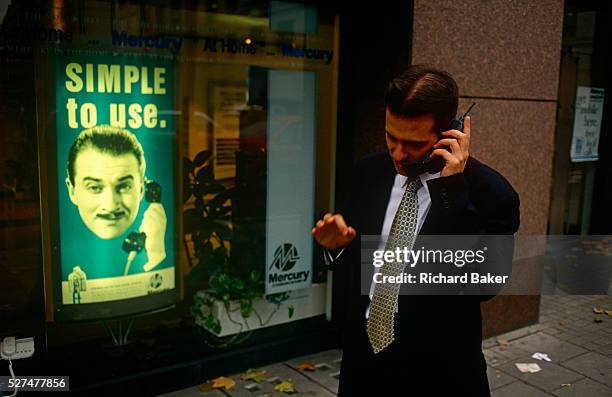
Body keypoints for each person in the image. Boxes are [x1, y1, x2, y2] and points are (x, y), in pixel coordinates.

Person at [312, 65, 520, 396]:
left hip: (439, 370)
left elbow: (484, 285)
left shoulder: (491, 193)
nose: (397, 153)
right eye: (390, 137)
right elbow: (356, 263)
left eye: (412, 143)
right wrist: (334, 247)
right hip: (365, 359)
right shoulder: (369, 173)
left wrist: (451, 191)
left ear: (450, 133)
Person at [65, 125, 167, 273]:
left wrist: (156, 255)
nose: (111, 205)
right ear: (72, 191)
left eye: (124, 186)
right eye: (94, 187)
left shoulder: (157, 244)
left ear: (141, 189)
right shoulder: (62, 256)